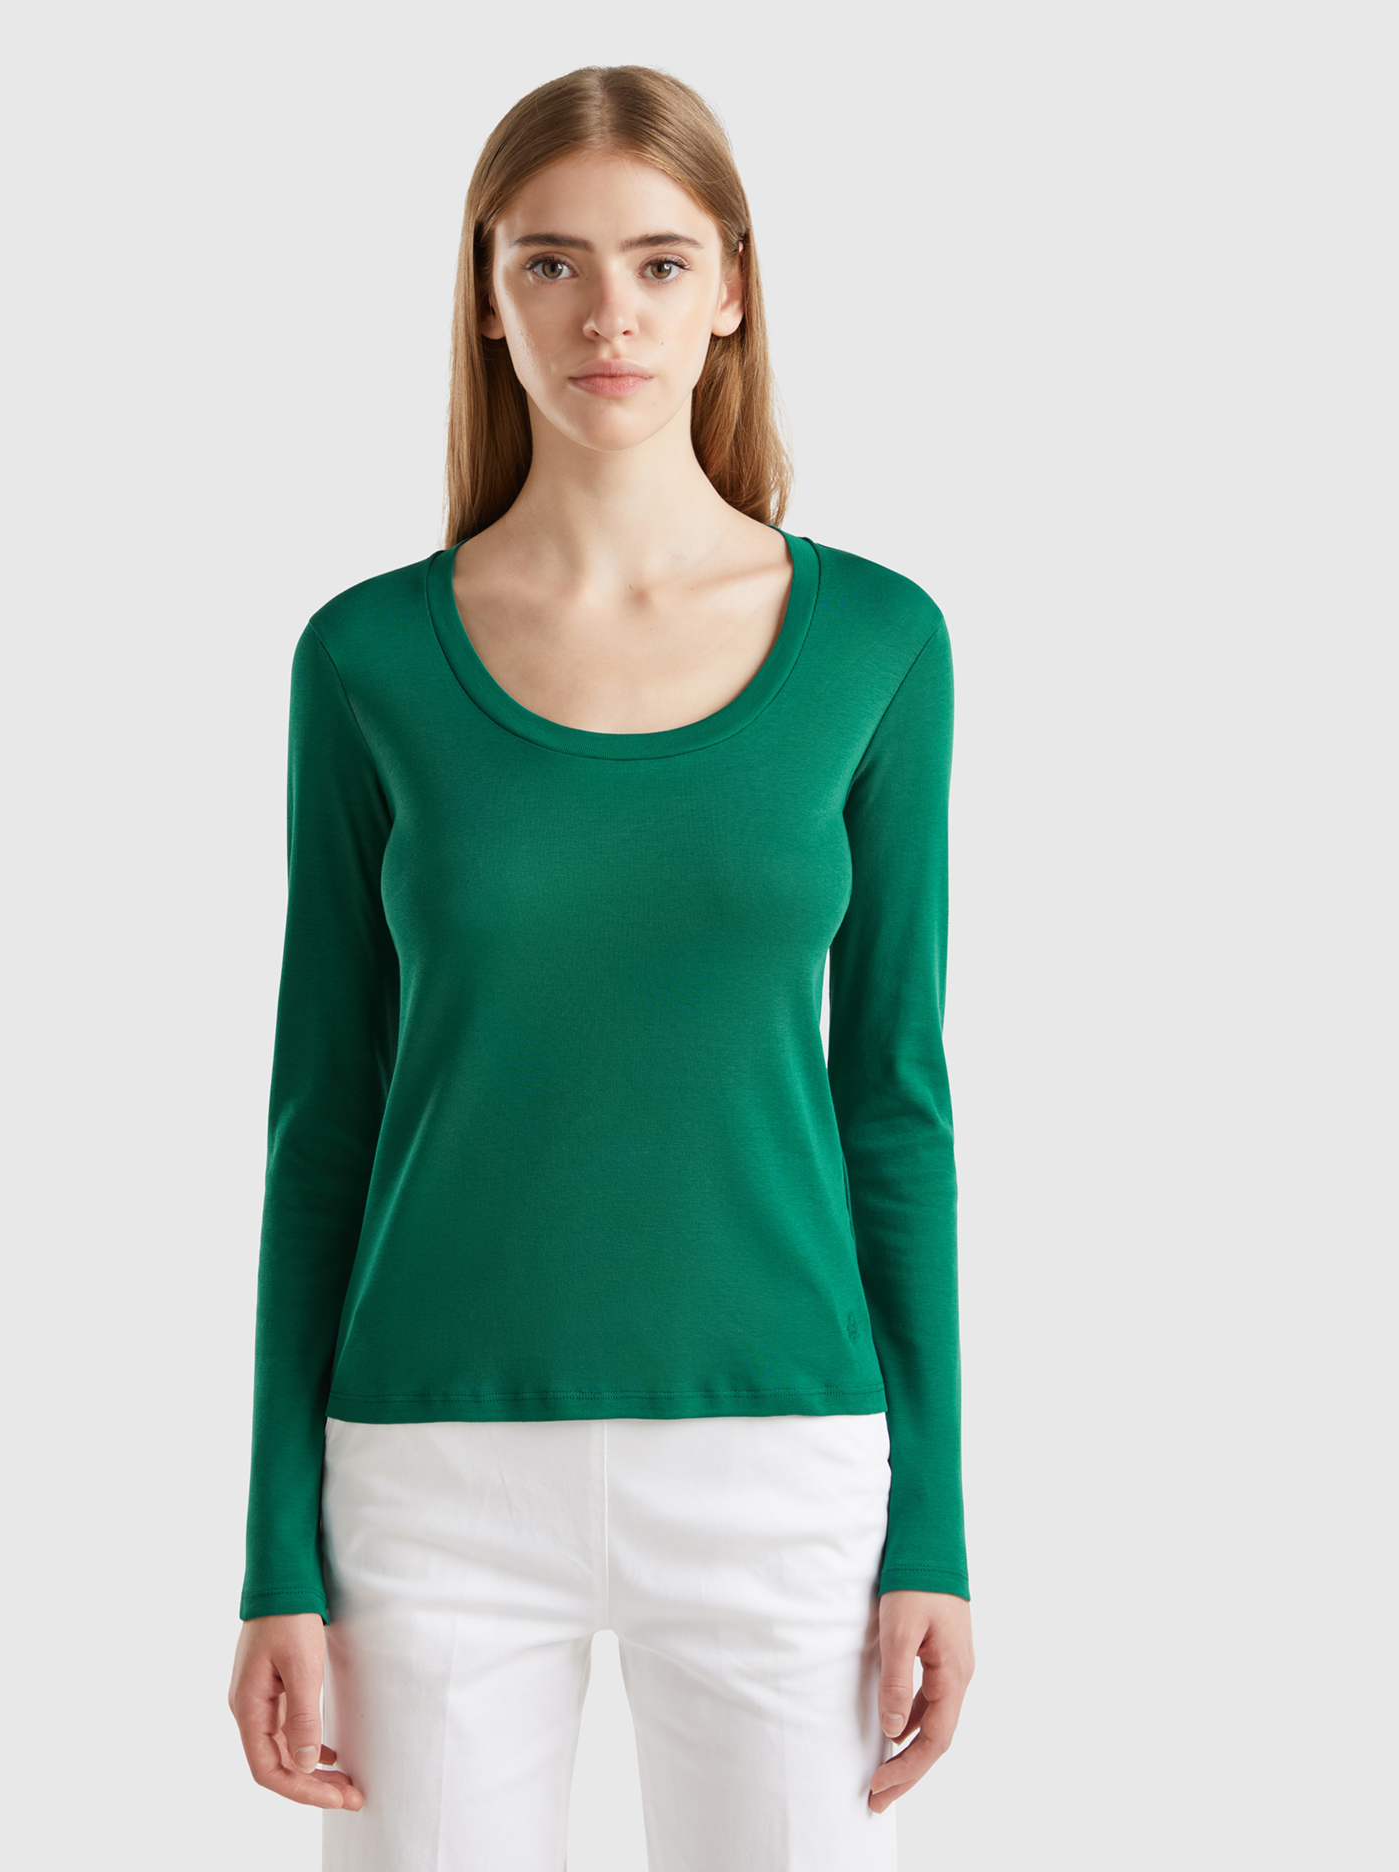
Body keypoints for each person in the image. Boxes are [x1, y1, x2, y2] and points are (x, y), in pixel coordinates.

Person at [225, 64, 975, 1869]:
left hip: (784, 1464)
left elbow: (894, 1103)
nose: (606, 315)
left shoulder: (879, 645)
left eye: (658, 262)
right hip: (430, 1474)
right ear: (489, 298)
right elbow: (321, 1121)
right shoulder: (367, 661)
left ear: (732, 292)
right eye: (550, 263)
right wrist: (272, 1557)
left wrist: (936, 1528)